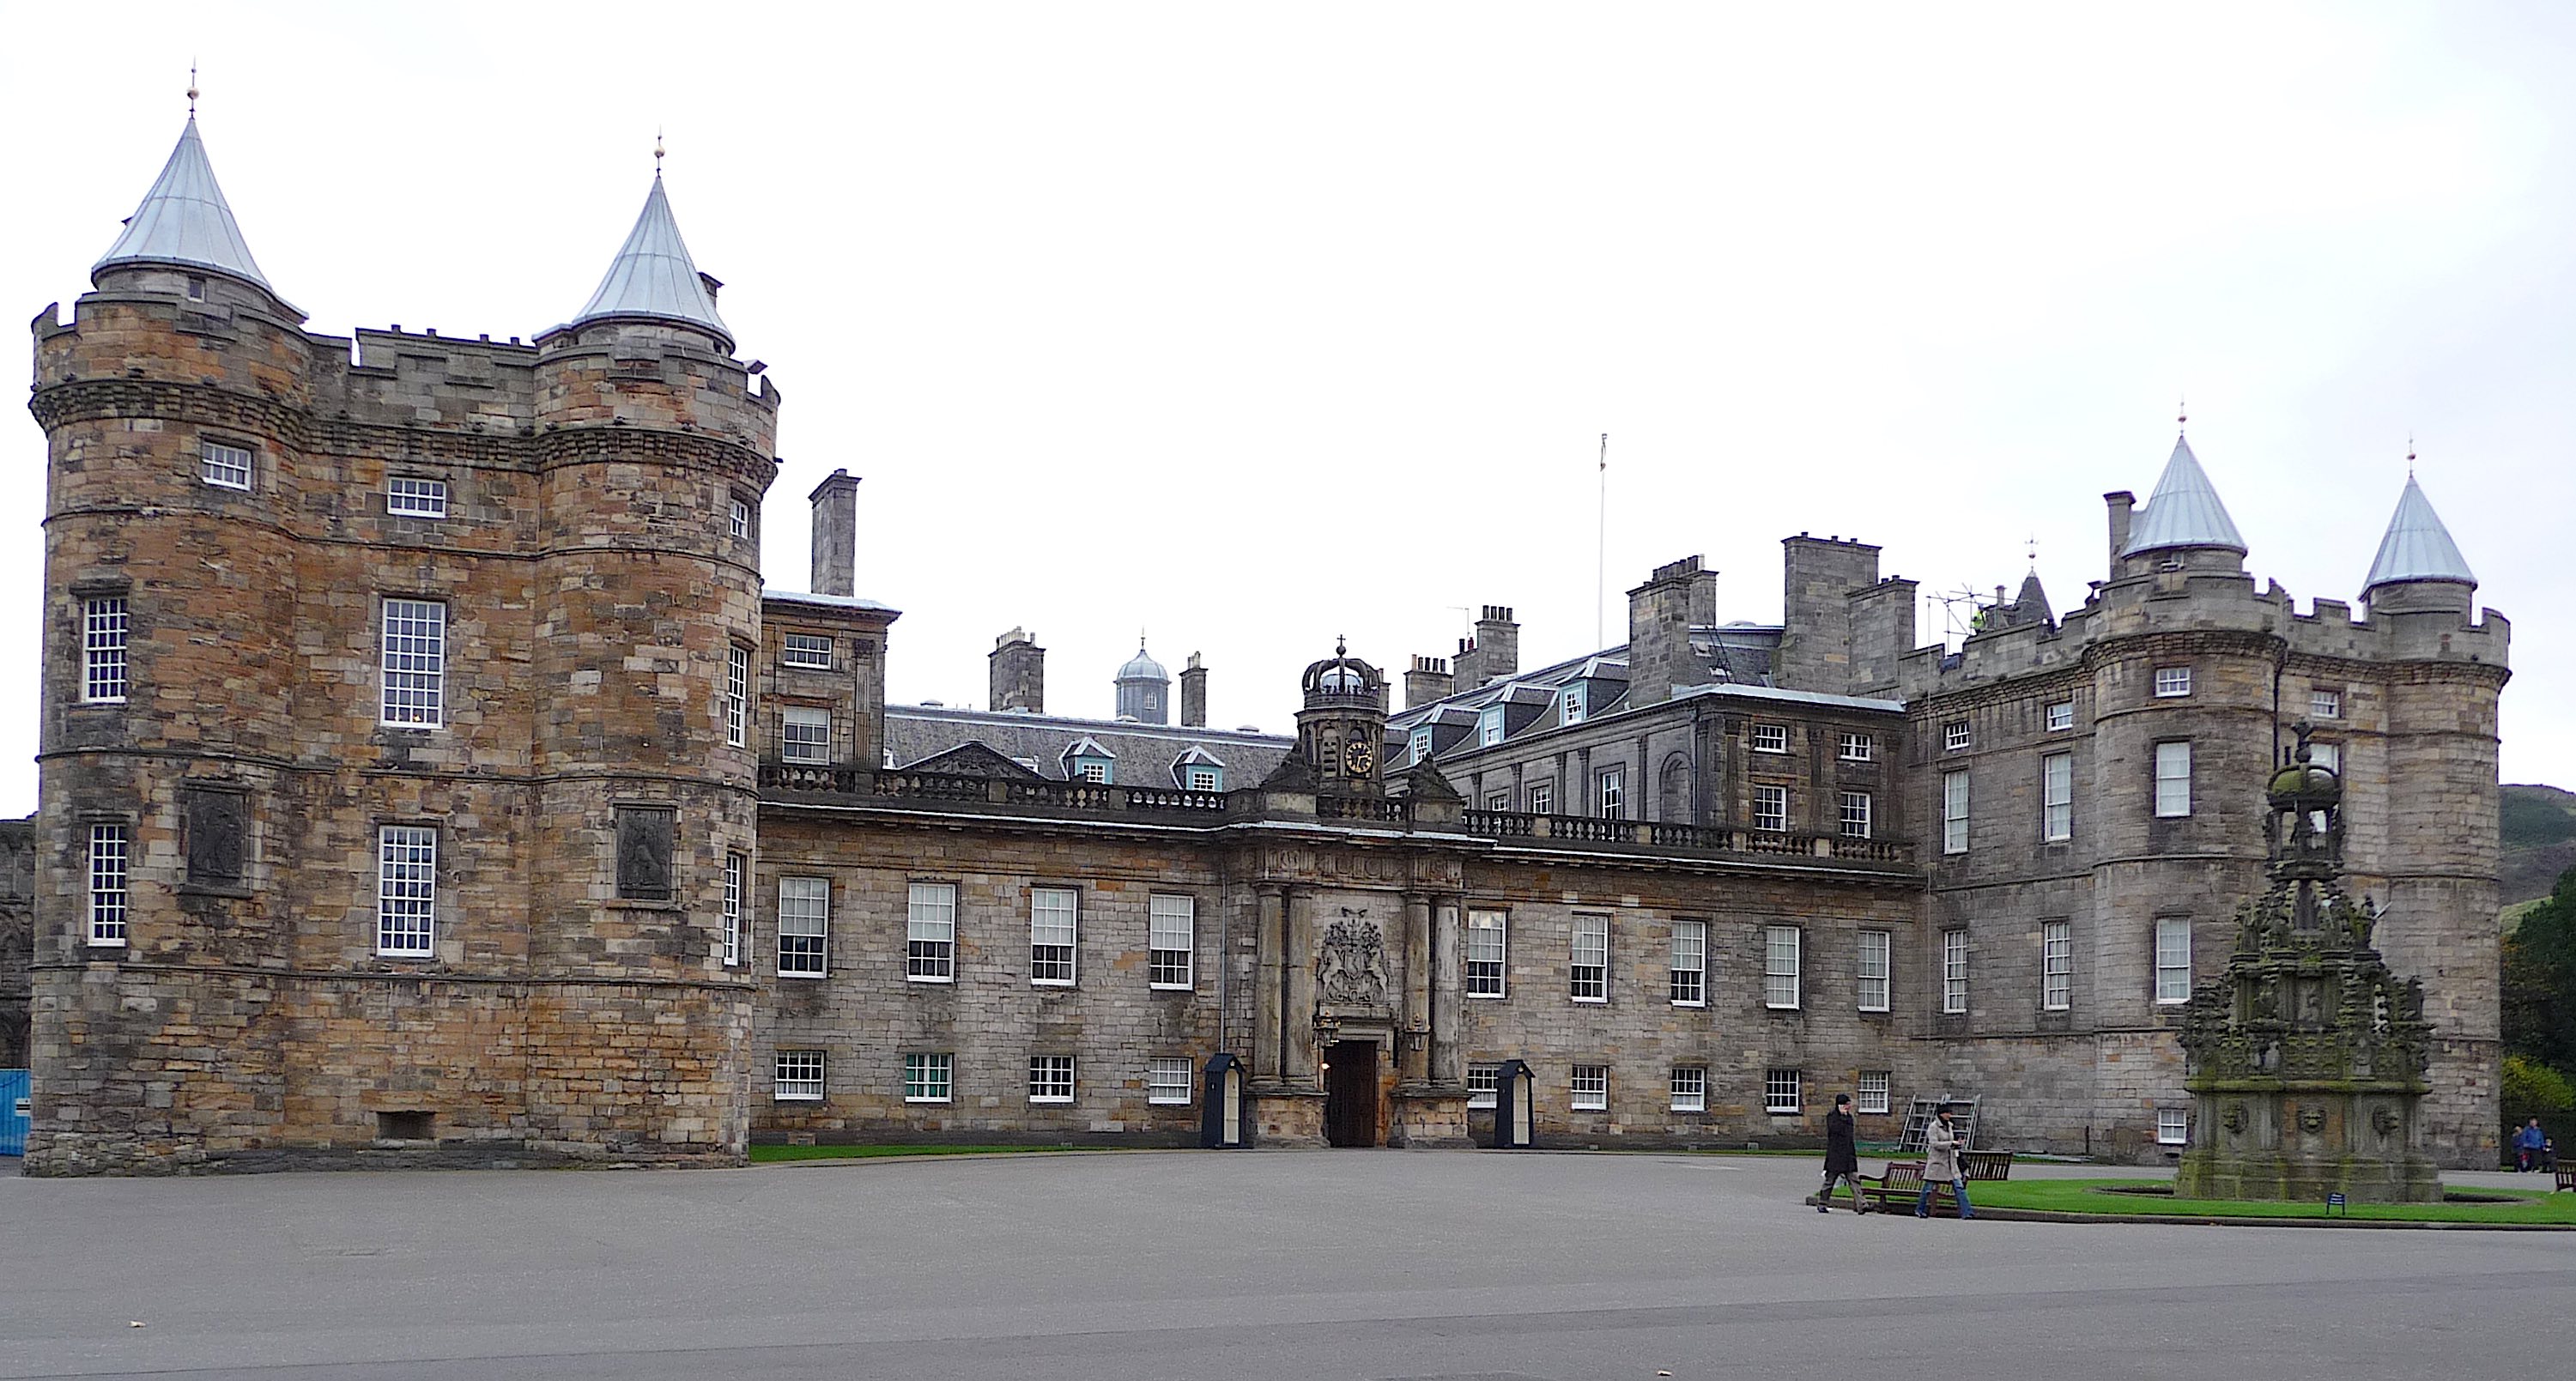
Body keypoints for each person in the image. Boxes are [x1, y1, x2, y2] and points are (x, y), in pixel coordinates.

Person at [1916, 1106, 1973, 1219]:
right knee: (1928, 1189)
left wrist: (1957, 1144)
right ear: (1941, 1114)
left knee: (1959, 1188)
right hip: (1937, 1163)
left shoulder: (1950, 1126)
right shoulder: (1933, 1127)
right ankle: (1920, 1209)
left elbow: (1951, 1141)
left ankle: (1967, 1213)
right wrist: (1951, 1143)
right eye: (1947, 1113)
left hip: (1951, 1164)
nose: (1949, 1116)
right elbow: (1934, 1144)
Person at [1819, 1093, 1869, 1214]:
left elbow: (1849, 1136)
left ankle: (1862, 1205)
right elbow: (1835, 1130)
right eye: (1846, 1105)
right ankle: (1822, 1203)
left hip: (1848, 1156)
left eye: (1848, 1104)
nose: (1848, 1107)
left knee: (1854, 1181)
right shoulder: (1832, 1117)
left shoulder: (1849, 1118)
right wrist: (1842, 1117)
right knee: (1829, 1182)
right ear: (1840, 1105)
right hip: (1835, 1155)